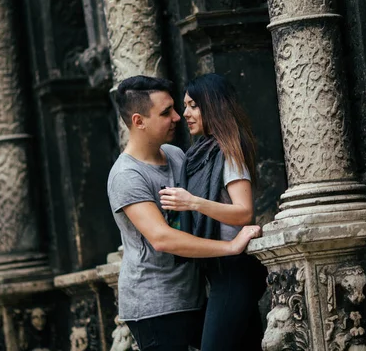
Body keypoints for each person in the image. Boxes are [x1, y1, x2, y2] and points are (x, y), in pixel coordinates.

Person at [106, 75, 261, 351]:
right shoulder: (126, 176)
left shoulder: (177, 155)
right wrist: (231, 246)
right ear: (138, 121)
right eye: (166, 112)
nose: (178, 117)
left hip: (196, 295)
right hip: (156, 305)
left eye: (178, 108)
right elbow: (162, 238)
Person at [159, 73, 268, 351]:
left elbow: (243, 213)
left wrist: (193, 202)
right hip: (216, 271)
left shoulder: (229, 152)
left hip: (233, 273)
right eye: (185, 106)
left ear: (213, 105)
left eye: (193, 105)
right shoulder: (199, 154)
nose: (185, 114)